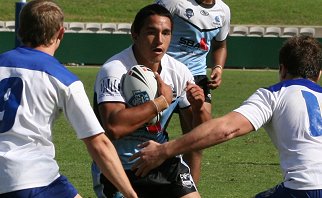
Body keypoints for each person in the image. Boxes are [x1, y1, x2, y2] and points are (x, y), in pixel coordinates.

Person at [130, 35, 322, 197]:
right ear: (319, 74)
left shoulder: (273, 95)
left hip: (304, 188)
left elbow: (226, 129)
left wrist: (163, 151)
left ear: (282, 69)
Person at [0, 1, 137, 198]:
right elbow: (99, 143)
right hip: (32, 179)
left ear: (20, 30)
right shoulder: (63, 79)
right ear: (61, 33)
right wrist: (131, 194)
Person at [92, 3, 211, 198]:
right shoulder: (114, 70)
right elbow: (114, 127)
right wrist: (161, 102)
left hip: (163, 162)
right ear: (135, 34)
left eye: (166, 33)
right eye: (151, 32)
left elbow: (201, 135)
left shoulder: (179, 71)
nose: (159, 40)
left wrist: (198, 109)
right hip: (119, 169)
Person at [155, 0, 231, 183]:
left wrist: (218, 67)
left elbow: (220, 45)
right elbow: (148, 28)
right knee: (151, 135)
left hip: (197, 77)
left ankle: (191, 191)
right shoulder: (173, 3)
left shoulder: (223, 11)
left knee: (198, 140)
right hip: (166, 72)